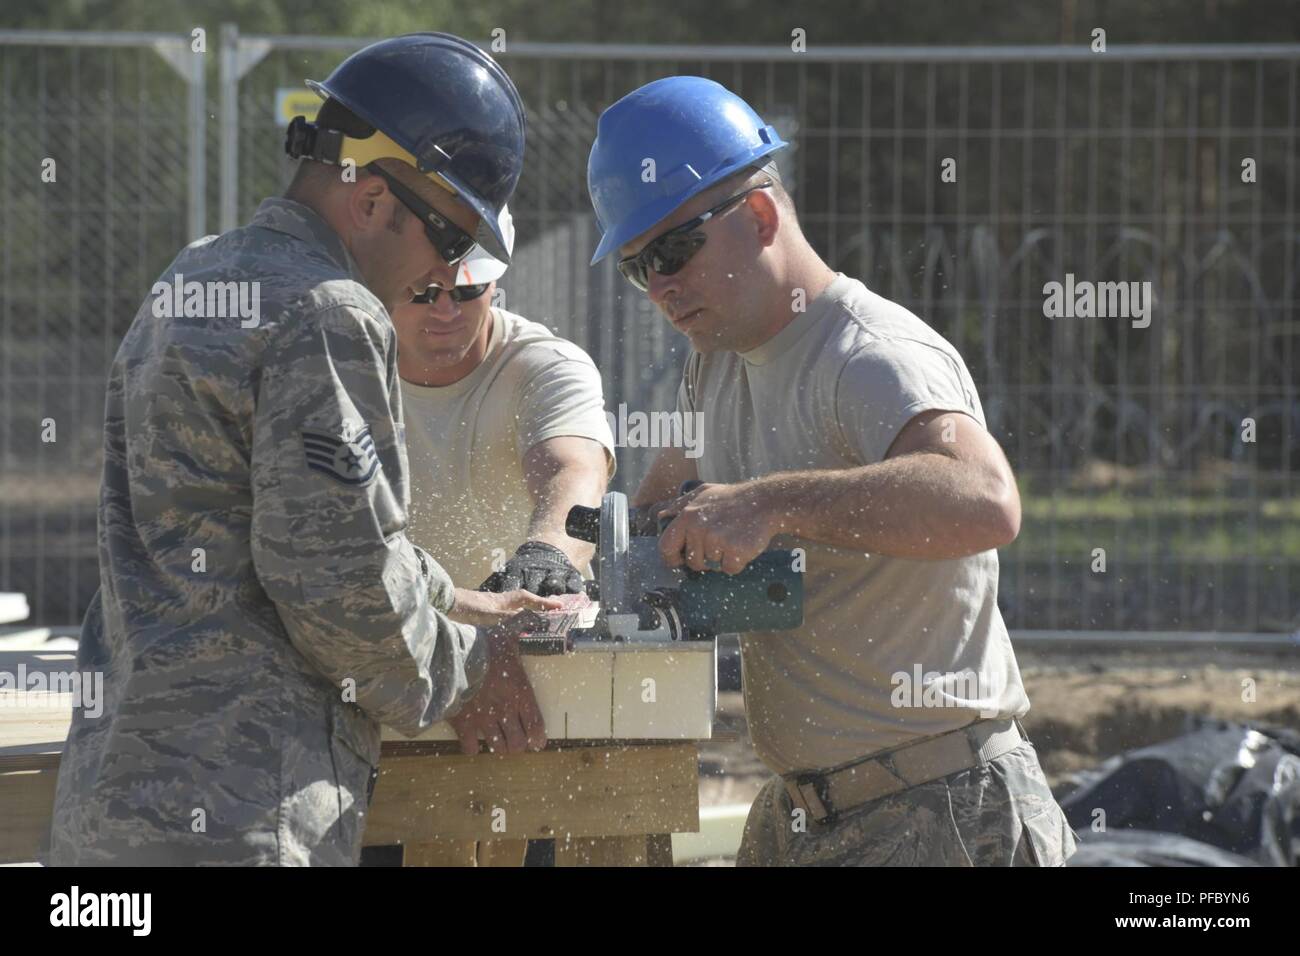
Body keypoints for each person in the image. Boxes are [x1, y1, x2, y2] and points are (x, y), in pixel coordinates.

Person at [50, 33, 553, 867]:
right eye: (447, 239)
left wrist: (455, 596)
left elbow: (251, 516)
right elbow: (339, 590)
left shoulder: (194, 275)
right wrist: (473, 664)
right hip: (243, 814)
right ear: (372, 202)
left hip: (111, 812)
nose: (440, 278)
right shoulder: (328, 311)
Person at [586, 76, 1078, 866]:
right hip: (806, 814)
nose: (663, 286)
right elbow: (657, 517)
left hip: (942, 813)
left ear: (759, 215)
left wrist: (771, 504)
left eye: (674, 250)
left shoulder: (871, 355)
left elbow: (986, 501)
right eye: (639, 268)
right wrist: (568, 573)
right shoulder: (711, 364)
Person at [388, 206, 616, 865]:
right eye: (422, 292)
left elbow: (574, 473)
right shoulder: (343, 372)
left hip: (521, 693)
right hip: (392, 677)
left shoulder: (544, 365)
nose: (445, 311)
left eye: (467, 291)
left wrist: (543, 562)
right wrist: (460, 658)